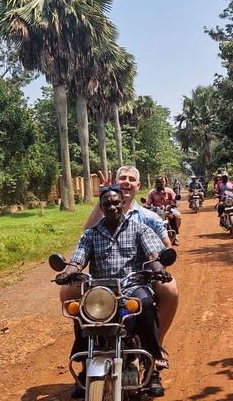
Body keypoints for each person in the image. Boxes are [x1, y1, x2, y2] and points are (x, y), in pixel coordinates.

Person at [57, 187, 170, 398]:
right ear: (101, 207)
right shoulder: (90, 235)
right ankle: (84, 370)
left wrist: (159, 269)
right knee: (80, 313)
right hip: (101, 292)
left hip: (132, 287)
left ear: (122, 203)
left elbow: (153, 256)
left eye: (116, 202)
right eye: (107, 204)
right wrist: (67, 272)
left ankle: (153, 367)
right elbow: (77, 261)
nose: (112, 207)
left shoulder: (139, 229)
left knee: (145, 304)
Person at [83, 166, 179, 365]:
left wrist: (157, 268)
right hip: (104, 281)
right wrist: (104, 193)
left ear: (138, 185)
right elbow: (85, 238)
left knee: (169, 288)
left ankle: (155, 346)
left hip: (140, 278)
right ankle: (85, 356)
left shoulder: (147, 219)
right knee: (69, 292)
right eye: (122, 178)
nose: (126, 182)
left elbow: (163, 249)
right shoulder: (100, 219)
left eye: (131, 179)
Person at [146, 176, 181, 245]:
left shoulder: (169, 191)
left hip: (168, 210)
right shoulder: (152, 192)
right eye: (158, 182)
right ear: (155, 183)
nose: (160, 184)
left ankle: (175, 236)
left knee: (178, 216)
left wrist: (175, 203)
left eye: (161, 182)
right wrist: (147, 206)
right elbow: (148, 203)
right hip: (156, 211)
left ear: (164, 183)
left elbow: (175, 199)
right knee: (147, 219)